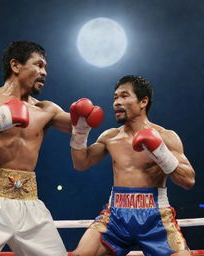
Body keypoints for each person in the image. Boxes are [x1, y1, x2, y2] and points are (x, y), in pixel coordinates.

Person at [0, 41, 103, 256]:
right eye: (39, 65)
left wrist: (84, 121)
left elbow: (77, 125)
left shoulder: (45, 109)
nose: (44, 72)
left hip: (29, 203)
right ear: (15, 65)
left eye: (46, 67)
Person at [68, 75, 195, 256]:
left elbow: (188, 180)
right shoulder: (110, 136)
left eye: (124, 96)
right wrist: (79, 131)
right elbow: (81, 163)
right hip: (116, 217)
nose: (117, 102)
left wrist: (161, 152)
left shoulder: (166, 137)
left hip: (156, 217)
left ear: (143, 101)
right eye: (115, 97)